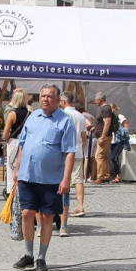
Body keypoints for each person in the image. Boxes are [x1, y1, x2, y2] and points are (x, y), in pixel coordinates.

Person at [10, 84, 76, 271]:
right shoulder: (32, 117)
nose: (45, 99)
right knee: (26, 214)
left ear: (57, 100)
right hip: (27, 176)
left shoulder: (65, 121)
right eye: (43, 96)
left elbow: (70, 153)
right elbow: (22, 145)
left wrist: (66, 180)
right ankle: (28, 255)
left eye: (49, 96)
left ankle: (41, 258)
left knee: (47, 217)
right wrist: (17, 168)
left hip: (51, 179)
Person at [59, 92, 89, 227]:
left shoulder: (61, 115)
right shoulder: (80, 116)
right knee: (78, 179)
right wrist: (81, 147)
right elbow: (84, 135)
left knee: (62, 178)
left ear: (64, 102)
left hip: (64, 151)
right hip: (77, 150)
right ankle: (80, 205)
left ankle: (61, 207)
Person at [2, 89, 30, 194]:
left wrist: (5, 138)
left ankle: (11, 191)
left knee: (11, 167)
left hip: (14, 142)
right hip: (26, 142)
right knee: (24, 167)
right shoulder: (30, 114)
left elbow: (5, 133)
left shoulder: (12, 114)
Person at [93, 92, 115, 183]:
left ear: (99, 100)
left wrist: (102, 136)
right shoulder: (105, 108)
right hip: (104, 135)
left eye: (96, 100)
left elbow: (107, 123)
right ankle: (105, 175)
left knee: (99, 156)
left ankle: (101, 176)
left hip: (104, 136)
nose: (95, 102)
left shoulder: (105, 109)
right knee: (104, 156)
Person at [109, 104, 130, 183]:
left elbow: (126, 126)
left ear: (115, 108)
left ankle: (118, 175)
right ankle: (117, 176)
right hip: (112, 140)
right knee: (115, 158)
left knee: (113, 157)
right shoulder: (110, 117)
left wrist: (122, 133)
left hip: (119, 140)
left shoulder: (120, 116)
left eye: (111, 108)